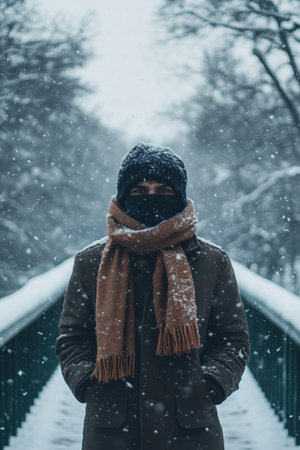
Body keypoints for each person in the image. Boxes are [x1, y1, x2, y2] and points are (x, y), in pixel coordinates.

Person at [56, 142, 250, 450]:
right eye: (139, 190)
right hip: (112, 425)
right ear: (123, 196)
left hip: (189, 426)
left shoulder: (211, 261)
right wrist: (86, 381)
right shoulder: (91, 262)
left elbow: (233, 339)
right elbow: (72, 337)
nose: (151, 198)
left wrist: (211, 383)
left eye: (163, 190)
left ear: (180, 195)